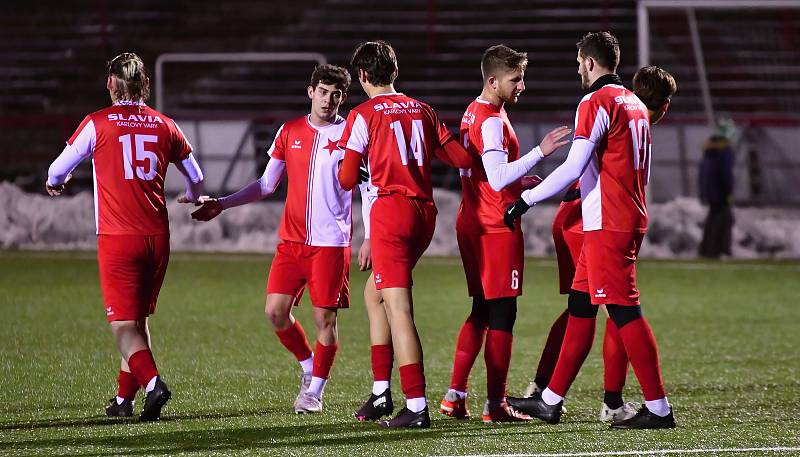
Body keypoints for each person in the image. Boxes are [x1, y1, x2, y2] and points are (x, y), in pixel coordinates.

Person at [503, 32, 678, 429]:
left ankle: (659, 408)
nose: (577, 69)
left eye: (578, 62)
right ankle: (550, 400)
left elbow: (572, 166)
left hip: (607, 223)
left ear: (587, 61)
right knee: (581, 308)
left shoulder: (595, 101)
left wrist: (526, 202)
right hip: (625, 215)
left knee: (624, 312)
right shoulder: (636, 104)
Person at [191, 64, 367, 414]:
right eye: (323, 91)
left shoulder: (353, 135)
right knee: (275, 312)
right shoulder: (289, 131)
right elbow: (266, 184)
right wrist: (222, 204)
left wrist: (372, 236)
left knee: (326, 321)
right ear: (310, 92)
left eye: (336, 94)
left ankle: (315, 391)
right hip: (291, 242)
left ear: (343, 98)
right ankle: (308, 367)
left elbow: (368, 188)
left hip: (331, 244)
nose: (328, 99)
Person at [45, 52, 205, 421]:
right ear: (145, 85)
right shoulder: (165, 124)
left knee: (121, 326)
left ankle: (153, 384)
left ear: (110, 85)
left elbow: (56, 170)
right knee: (136, 322)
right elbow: (196, 176)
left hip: (119, 237)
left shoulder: (98, 123)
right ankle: (123, 400)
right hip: (157, 237)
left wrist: (58, 182)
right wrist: (193, 196)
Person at [338, 40, 473, 428]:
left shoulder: (363, 115)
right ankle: (381, 393)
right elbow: (462, 159)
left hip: (391, 214)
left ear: (363, 76)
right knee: (374, 294)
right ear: (394, 72)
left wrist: (355, 159)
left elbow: (347, 179)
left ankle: (416, 406)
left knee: (399, 309)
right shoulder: (424, 109)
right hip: (424, 214)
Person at [438, 44, 571, 424]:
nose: (522, 86)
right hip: (496, 226)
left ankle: (454, 395)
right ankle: (496, 403)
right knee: (502, 312)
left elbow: (486, 171)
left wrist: (517, 179)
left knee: (481, 309)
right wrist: (538, 152)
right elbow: (496, 176)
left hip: (472, 219)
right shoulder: (493, 120)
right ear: (493, 80)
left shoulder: (474, 110)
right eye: (516, 79)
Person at [698, 120, 735, 258]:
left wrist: (703, 192)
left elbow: (702, 174)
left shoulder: (709, 151)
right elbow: (726, 174)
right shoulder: (724, 151)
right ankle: (720, 250)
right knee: (725, 220)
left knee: (713, 220)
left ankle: (707, 249)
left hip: (710, 192)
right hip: (720, 192)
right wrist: (729, 192)